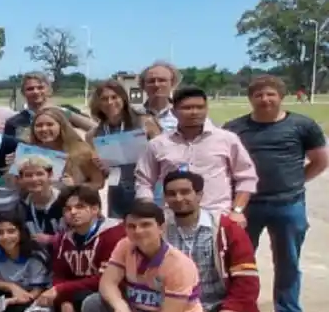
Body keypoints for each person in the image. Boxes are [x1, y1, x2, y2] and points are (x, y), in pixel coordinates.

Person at [224, 74, 328, 312]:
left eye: (270, 94)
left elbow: (319, 161)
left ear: (282, 96)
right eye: (258, 95)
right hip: (247, 206)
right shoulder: (235, 128)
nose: (265, 99)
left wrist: (295, 181)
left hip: (288, 204)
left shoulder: (302, 125)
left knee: (288, 264)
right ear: (251, 98)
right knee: (239, 264)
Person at [162, 170, 263, 312]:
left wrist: (233, 307)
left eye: (185, 192)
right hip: (180, 304)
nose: (178, 198)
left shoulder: (225, 228)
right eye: (171, 194)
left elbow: (247, 278)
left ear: (199, 195)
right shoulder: (159, 229)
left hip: (220, 302)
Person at [135, 87, 257, 218]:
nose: (194, 112)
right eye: (187, 108)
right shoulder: (158, 144)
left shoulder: (227, 139)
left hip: (217, 216)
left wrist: (237, 211)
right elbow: (144, 181)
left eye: (200, 107)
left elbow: (246, 177)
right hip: (172, 219)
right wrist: (149, 211)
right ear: (173, 111)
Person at [28, 186, 126, 312]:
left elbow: (105, 279)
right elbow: (59, 274)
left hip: (113, 295)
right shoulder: (64, 239)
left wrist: (62, 291)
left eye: (80, 207)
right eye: (68, 209)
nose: (73, 212)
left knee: (84, 299)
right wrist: (64, 299)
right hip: (76, 292)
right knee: (42, 302)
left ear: (95, 209)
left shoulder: (113, 234)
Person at [87, 79, 162, 218]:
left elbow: (164, 155)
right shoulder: (94, 134)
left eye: (114, 97)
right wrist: (99, 166)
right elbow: (99, 179)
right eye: (104, 99)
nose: (110, 102)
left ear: (124, 98)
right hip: (117, 190)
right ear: (98, 103)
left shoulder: (144, 122)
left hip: (147, 188)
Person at [27, 106, 105, 189]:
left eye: (50, 124)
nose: (44, 129)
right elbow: (19, 187)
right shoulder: (29, 153)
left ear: (61, 126)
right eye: (39, 125)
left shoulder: (82, 152)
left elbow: (98, 183)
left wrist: (76, 186)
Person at [5, 73, 94, 140]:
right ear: (23, 93)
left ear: (49, 90)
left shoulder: (66, 111)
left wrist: (63, 113)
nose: (36, 92)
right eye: (30, 89)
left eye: (40, 87)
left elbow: (96, 129)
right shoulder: (14, 122)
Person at [16, 158, 65, 247]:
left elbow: (80, 235)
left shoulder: (65, 202)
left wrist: (52, 240)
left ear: (50, 175)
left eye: (39, 174)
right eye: (28, 175)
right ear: (21, 179)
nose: (34, 179)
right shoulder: (20, 207)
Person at [139, 60, 179, 133]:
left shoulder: (183, 115)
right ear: (143, 85)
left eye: (162, 80)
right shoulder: (134, 117)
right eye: (151, 81)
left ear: (172, 83)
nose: (156, 85)